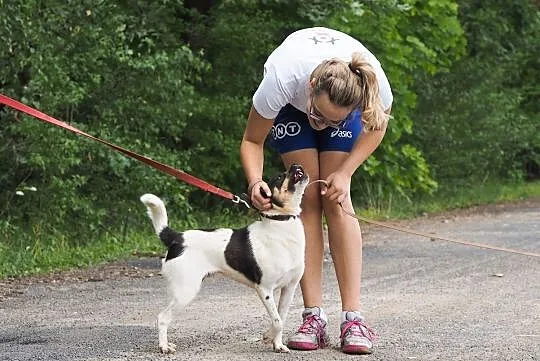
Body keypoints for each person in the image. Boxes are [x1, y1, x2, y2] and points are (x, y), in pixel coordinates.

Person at [240, 27, 393, 355]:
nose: (322, 124)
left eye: (332, 121)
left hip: (340, 101)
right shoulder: (282, 78)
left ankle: (353, 318)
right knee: (306, 199)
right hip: (292, 111)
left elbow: (378, 127)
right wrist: (255, 182)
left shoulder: (371, 86)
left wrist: (346, 172)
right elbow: (252, 140)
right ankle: (313, 317)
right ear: (311, 87)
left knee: (336, 198)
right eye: (320, 116)